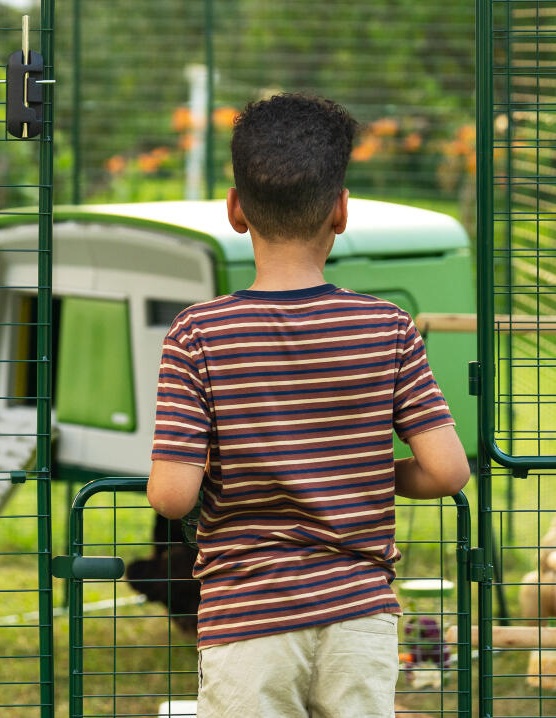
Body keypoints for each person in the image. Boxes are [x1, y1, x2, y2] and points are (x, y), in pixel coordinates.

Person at [146, 94, 469, 718]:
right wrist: (361, 474)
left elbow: (172, 497)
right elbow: (448, 471)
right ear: (341, 211)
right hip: (359, 617)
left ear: (235, 210)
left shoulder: (198, 335)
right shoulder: (388, 328)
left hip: (247, 618)